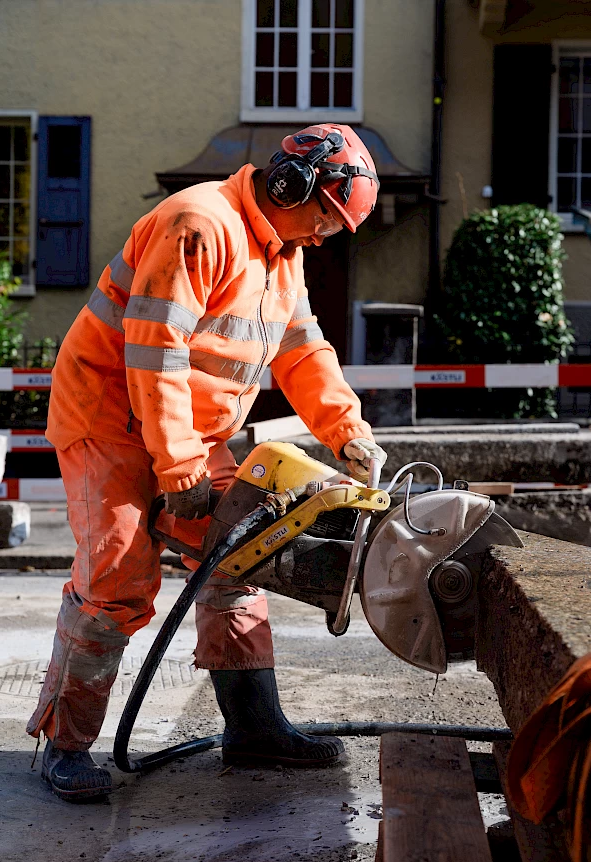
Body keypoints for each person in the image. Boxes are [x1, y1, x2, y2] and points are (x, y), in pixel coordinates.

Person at [27, 123, 387, 802]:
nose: (322, 236)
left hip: (186, 431)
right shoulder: (198, 223)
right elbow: (154, 355)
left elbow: (303, 351)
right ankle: (65, 745)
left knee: (243, 554)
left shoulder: (282, 252)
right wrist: (180, 470)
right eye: (325, 220)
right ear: (293, 184)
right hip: (109, 419)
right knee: (117, 580)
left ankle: (252, 728)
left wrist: (348, 431)